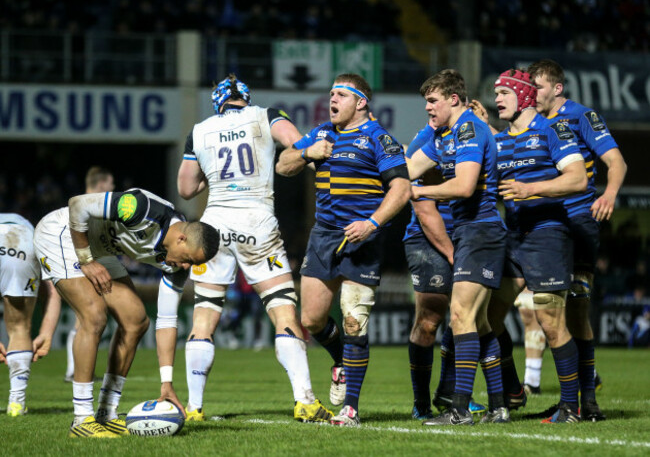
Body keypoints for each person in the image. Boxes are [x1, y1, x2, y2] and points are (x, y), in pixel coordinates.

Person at [177, 74, 333, 423]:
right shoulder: (266, 114)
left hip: (213, 224)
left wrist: (209, 173)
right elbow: (297, 145)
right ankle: (304, 400)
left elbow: (186, 188)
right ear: (245, 99)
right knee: (283, 312)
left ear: (218, 102)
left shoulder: (199, 131)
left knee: (204, 315)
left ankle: (195, 408)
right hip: (257, 221)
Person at [277, 73, 411, 426]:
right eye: (330, 94)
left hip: (362, 238)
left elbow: (401, 189)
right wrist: (307, 152)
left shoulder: (379, 140)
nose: (331, 100)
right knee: (311, 319)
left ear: (360, 101)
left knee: (353, 320)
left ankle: (350, 407)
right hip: (323, 237)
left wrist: (372, 224)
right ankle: (340, 362)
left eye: (339, 94)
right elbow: (283, 164)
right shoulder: (322, 134)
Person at [33, 188, 219, 437]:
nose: (186, 267)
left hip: (101, 250)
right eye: (187, 259)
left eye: (192, 265)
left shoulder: (176, 266)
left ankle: (106, 413)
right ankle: (81, 419)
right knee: (94, 316)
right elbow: (77, 204)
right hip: (63, 236)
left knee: (136, 321)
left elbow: (166, 320)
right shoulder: (142, 208)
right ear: (182, 239)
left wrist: (167, 383)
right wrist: (86, 260)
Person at [406, 69, 508, 426]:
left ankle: (460, 409)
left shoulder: (468, 129)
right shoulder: (445, 136)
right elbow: (405, 170)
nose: (428, 109)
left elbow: (464, 186)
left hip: (481, 232)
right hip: (471, 233)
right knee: (478, 323)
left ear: (453, 99)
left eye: (432, 101)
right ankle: (499, 407)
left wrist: (421, 191)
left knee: (460, 316)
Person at [528, 58, 626, 421]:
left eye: (537, 86)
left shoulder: (582, 116)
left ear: (557, 89)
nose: (531, 94)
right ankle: (565, 396)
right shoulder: (533, 123)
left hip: (578, 219)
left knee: (578, 311)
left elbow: (616, 161)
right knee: (546, 313)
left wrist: (610, 194)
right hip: (541, 225)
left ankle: (587, 400)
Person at [489, 68, 587, 423]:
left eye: (503, 92)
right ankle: (513, 389)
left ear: (523, 95)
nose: (496, 98)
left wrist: (531, 189)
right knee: (489, 316)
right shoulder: (499, 141)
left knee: (549, 319)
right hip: (512, 237)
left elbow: (578, 178)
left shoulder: (552, 130)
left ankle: (570, 406)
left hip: (547, 233)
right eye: (495, 93)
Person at [403, 120, 486, 420]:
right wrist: (452, 254)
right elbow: (424, 209)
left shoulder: (472, 137)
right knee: (429, 320)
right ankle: (421, 402)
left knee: (466, 316)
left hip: (467, 235)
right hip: (428, 237)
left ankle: (451, 392)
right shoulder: (427, 140)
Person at [1, 213, 61, 416]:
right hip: (19, 241)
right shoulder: (36, 234)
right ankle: (16, 404)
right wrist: (46, 332)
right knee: (19, 328)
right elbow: (53, 290)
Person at [64, 167, 115, 382]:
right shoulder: (87, 208)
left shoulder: (79, 205)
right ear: (101, 185)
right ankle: (74, 371)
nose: (113, 188)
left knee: (84, 318)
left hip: (74, 262)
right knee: (85, 318)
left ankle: (74, 370)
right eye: (111, 184)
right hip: (78, 263)